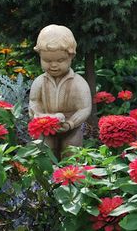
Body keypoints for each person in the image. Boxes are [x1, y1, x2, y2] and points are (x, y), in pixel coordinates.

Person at [29, 24, 91, 159]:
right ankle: (44, 178)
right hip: (46, 128)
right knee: (43, 149)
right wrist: (39, 116)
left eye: (60, 60)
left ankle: (70, 178)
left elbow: (84, 108)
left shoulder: (78, 83)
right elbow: (34, 102)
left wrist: (71, 123)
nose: (53, 65)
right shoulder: (39, 82)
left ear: (71, 57)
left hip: (70, 128)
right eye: (47, 60)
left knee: (71, 150)